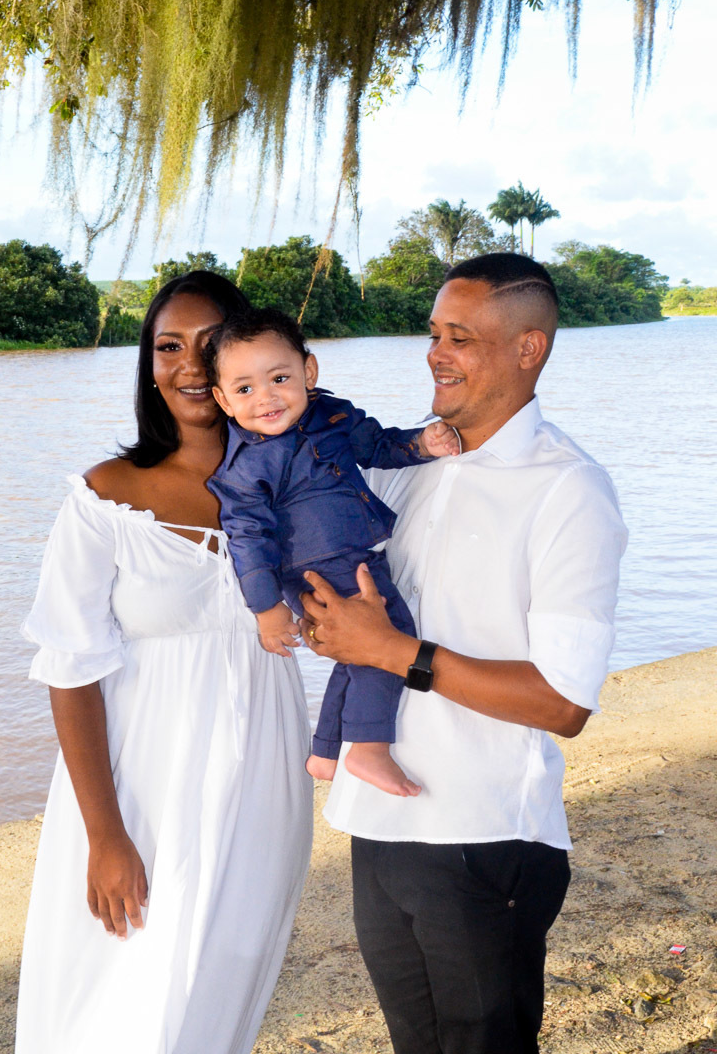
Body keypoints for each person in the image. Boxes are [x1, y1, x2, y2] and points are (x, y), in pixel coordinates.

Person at [300, 253, 628, 1054]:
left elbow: (563, 702)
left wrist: (397, 651)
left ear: (529, 349)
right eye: (434, 332)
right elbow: (357, 619)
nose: (435, 353)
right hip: (377, 820)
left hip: (484, 834)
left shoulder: (568, 489)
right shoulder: (408, 467)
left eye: (461, 337)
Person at [14, 272, 313, 1054]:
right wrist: (105, 835)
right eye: (167, 346)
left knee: (220, 983)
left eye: (210, 345)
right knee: (122, 1002)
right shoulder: (105, 498)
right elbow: (71, 671)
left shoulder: (296, 486)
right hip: (141, 783)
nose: (187, 365)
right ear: (148, 364)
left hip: (261, 776)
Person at [204, 308, 459, 799]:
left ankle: (325, 750)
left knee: (352, 653)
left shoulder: (334, 416)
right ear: (222, 399)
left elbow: (380, 446)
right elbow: (247, 540)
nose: (266, 398)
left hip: (354, 552)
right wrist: (265, 608)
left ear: (309, 372)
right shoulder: (244, 468)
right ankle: (368, 748)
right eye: (245, 390)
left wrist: (422, 443)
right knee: (389, 637)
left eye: (279, 378)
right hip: (315, 568)